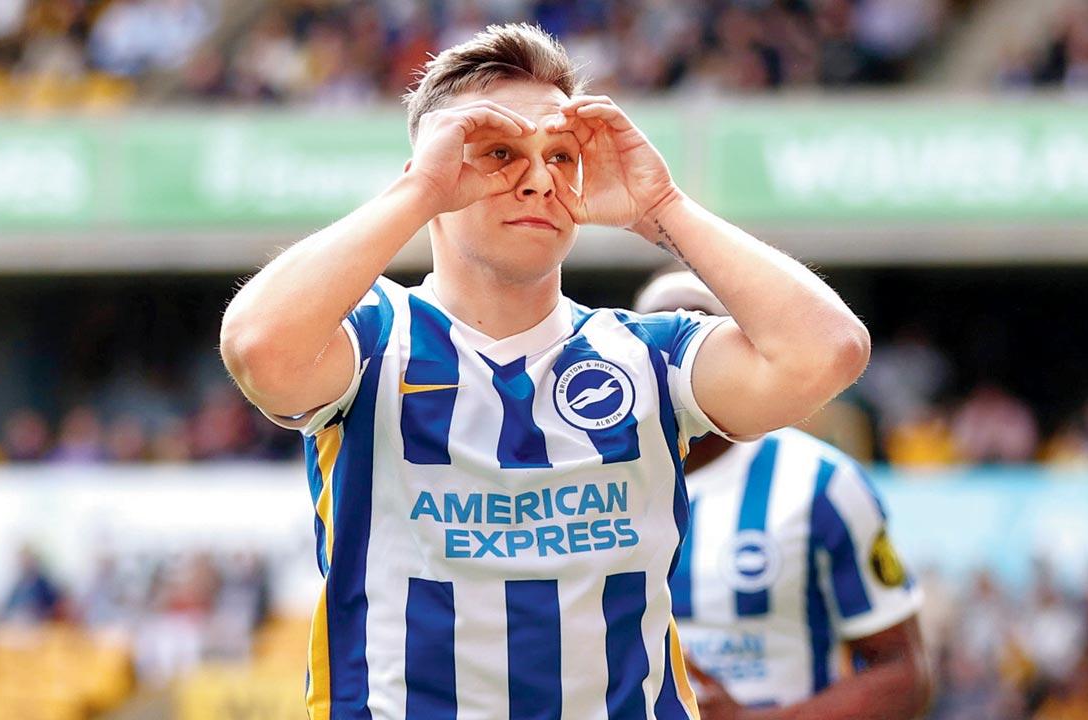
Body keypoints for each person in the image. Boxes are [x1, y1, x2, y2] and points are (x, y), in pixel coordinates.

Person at [219, 23, 870, 719]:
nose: (536, 179)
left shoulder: (648, 356)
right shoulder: (372, 341)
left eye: (559, 155)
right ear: (440, 165)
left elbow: (828, 352)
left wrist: (662, 208)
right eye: (499, 153)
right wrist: (418, 191)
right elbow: (258, 348)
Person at [640, 272, 929, 720]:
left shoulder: (823, 483)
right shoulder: (593, 482)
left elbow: (904, 674)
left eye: (700, 338)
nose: (680, 360)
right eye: (660, 339)